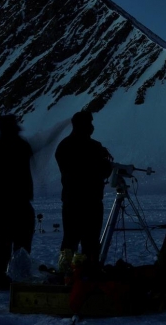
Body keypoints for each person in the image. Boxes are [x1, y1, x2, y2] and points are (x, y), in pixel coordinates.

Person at [0, 114, 35, 291]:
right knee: (21, 242)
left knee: (4, 242)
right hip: (17, 202)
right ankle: (18, 276)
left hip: (3, 204)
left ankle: (3, 278)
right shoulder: (20, 146)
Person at [55, 110, 113, 271]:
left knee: (70, 240)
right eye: (90, 124)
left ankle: (66, 273)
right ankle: (88, 273)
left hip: (71, 201)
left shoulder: (64, 146)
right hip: (90, 202)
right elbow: (102, 170)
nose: (92, 127)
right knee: (90, 242)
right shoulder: (93, 147)